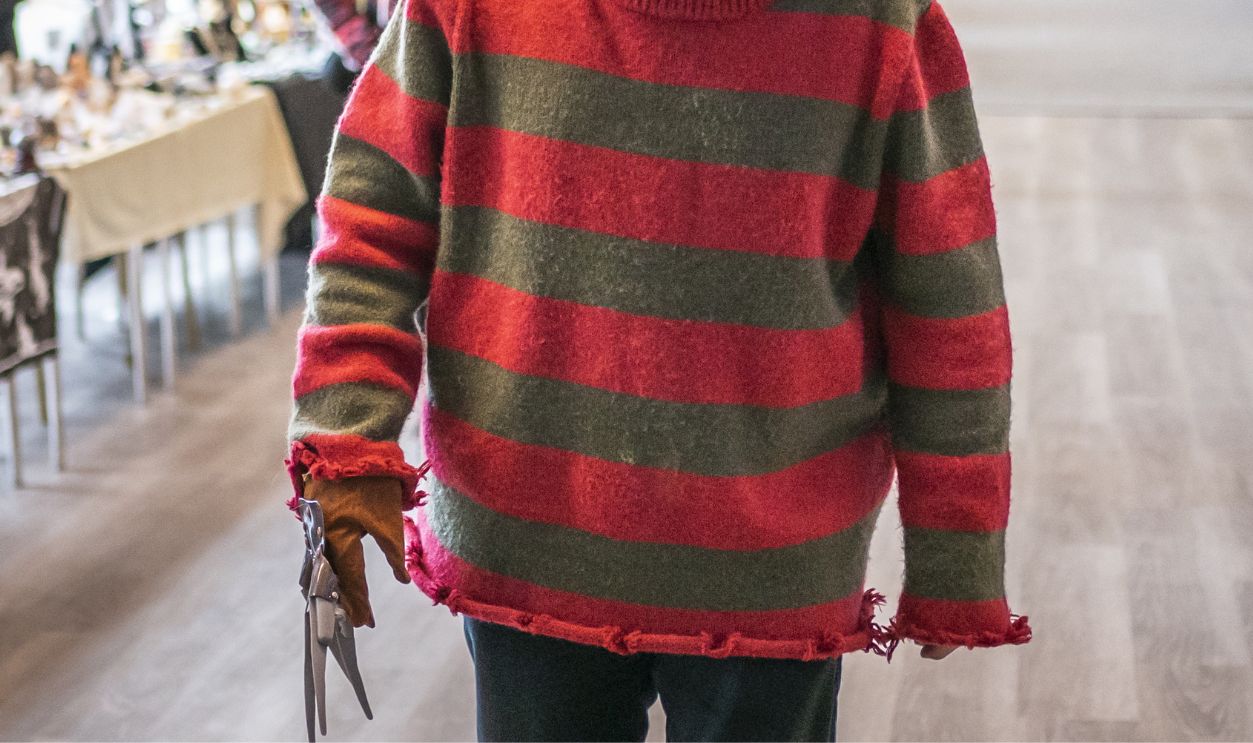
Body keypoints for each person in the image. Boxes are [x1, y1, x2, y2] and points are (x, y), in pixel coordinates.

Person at [284, 0, 1034, 739]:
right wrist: (344, 437)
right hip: (525, 536)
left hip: (767, 570)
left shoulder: (882, 25)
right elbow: (371, 222)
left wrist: (956, 553)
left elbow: (946, 304)